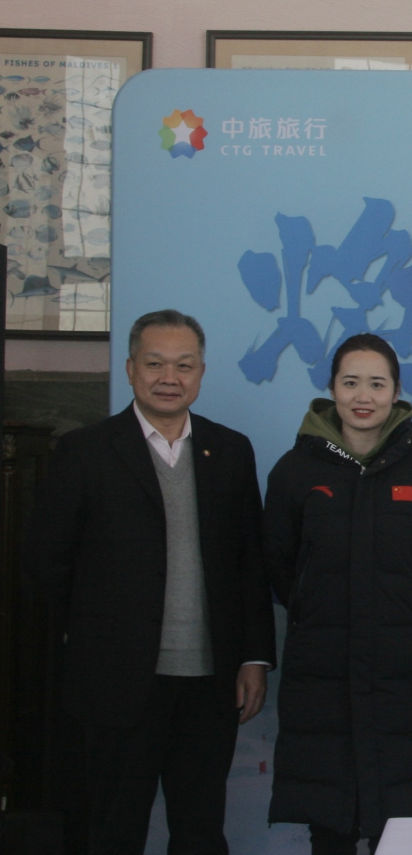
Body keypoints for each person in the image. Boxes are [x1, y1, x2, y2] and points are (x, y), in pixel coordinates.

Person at [29, 309, 275, 854]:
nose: (170, 377)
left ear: (201, 372)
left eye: (184, 365)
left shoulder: (230, 450)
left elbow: (249, 563)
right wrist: (91, 640)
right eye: (155, 363)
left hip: (210, 683)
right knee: (113, 832)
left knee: (199, 832)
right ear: (130, 368)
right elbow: (49, 562)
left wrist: (254, 657)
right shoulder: (84, 451)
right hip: (116, 684)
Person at [263, 333, 412, 854]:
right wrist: (315, 608)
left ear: (396, 392)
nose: (363, 396)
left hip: (400, 672)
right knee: (328, 825)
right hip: (319, 673)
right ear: (332, 388)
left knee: (400, 828)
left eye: (377, 384)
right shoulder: (295, 470)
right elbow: (280, 563)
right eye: (351, 382)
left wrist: (408, 611)